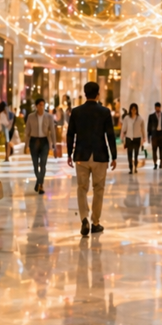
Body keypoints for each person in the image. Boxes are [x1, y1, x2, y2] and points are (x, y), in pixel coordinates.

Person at [66, 81, 118, 236]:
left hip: (81, 155)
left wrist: (69, 154)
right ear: (98, 94)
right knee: (99, 189)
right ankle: (95, 222)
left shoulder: (76, 112)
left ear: (84, 94)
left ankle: (83, 219)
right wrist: (114, 156)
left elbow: (70, 134)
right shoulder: (104, 112)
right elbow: (110, 135)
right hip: (100, 156)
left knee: (81, 189)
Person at [26, 98, 56, 194]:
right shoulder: (31, 117)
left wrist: (54, 144)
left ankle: (40, 184)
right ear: (36, 106)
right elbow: (27, 131)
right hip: (34, 141)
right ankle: (39, 182)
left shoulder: (49, 117)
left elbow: (52, 131)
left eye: (43, 105)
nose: (41, 107)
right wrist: (26, 145)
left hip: (44, 141)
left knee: (43, 164)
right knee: (35, 165)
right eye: (39, 105)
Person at [121, 103, 146, 174]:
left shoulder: (140, 119)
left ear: (137, 110)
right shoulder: (127, 118)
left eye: (135, 109)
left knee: (136, 154)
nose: (133, 111)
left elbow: (143, 129)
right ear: (130, 109)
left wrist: (144, 137)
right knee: (129, 154)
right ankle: (131, 168)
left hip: (137, 138)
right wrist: (123, 137)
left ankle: (135, 166)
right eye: (132, 109)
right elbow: (124, 128)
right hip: (129, 138)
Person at [148, 102, 162, 169]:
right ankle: (155, 163)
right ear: (155, 108)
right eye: (156, 107)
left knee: (161, 149)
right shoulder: (151, 116)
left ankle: (161, 162)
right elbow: (149, 126)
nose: (157, 108)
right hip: (154, 135)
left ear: (160, 108)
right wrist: (149, 136)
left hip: (161, 134)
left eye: (158, 107)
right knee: (154, 149)